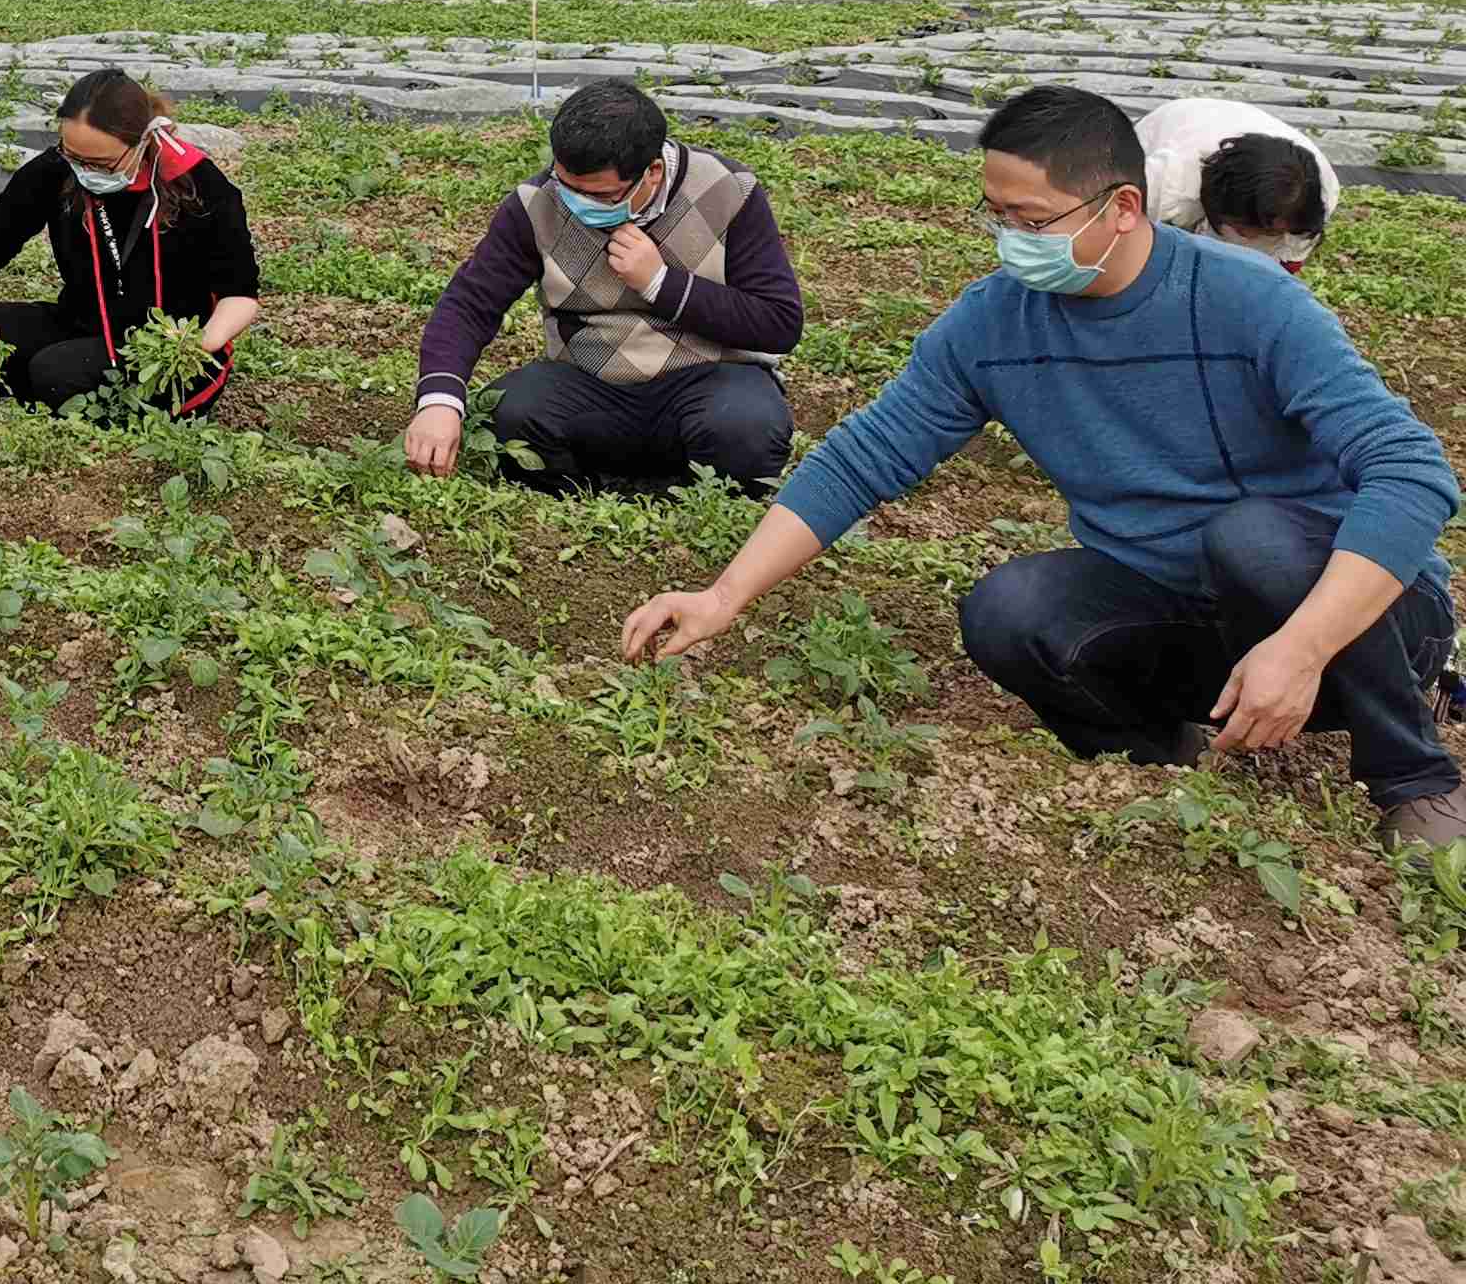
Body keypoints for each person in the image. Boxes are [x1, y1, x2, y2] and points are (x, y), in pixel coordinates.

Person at [626, 85, 1466, 847]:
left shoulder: (1249, 300)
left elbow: (1410, 471)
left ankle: (1415, 779)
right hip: (1185, 607)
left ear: (1123, 208)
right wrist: (723, 594)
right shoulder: (996, 325)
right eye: (995, 215)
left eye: (1032, 221)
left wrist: (1305, 644)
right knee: (1012, 610)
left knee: (1253, 540)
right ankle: (1163, 749)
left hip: (1357, 619)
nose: (1011, 242)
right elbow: (864, 457)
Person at [402, 78, 800, 495]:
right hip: (590, 386)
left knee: (748, 430)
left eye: (601, 196)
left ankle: (675, 490)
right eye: (568, 187)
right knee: (507, 415)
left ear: (653, 172)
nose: (578, 204)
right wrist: (440, 400)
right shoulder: (538, 203)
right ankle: (598, 489)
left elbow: (779, 323)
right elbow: (470, 303)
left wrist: (660, 283)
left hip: (709, 383)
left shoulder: (727, 189)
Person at [0, 70, 259, 415]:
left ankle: (65, 390)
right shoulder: (55, 169)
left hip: (165, 341)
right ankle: (62, 387)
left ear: (142, 140)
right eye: (74, 156)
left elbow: (240, 295)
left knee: (54, 373)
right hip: (85, 323)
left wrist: (195, 345)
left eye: (101, 164)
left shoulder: (198, 184)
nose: (84, 171)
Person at [1139, 96, 1340, 272]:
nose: (1250, 237)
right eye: (1244, 226)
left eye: (1269, 231)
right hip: (1179, 122)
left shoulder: (1315, 201)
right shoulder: (1166, 180)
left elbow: (1282, 269)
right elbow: (1124, 235)